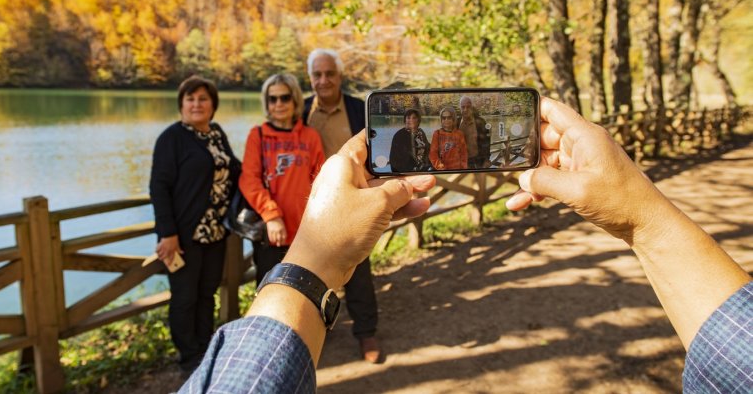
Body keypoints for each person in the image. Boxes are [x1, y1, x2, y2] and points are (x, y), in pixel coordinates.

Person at [181, 97, 751, 393]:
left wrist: (316, 255)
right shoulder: (262, 135)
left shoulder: (413, 133)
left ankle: (367, 330)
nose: (283, 103)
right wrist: (643, 220)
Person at [149, 76, 240, 373]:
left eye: (203, 98)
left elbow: (234, 169)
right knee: (185, 297)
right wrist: (168, 233)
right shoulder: (171, 138)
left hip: (216, 232)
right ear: (181, 105)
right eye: (190, 99)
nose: (196, 104)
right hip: (185, 235)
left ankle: (205, 347)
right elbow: (159, 187)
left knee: (206, 293)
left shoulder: (216, 134)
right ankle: (188, 357)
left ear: (213, 105)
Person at [301, 48, 383, 363]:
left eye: (329, 74)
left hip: (352, 198)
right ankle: (313, 335)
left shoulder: (359, 109)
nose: (323, 80)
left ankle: (367, 333)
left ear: (340, 76)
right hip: (310, 204)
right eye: (317, 75)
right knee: (311, 271)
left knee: (358, 270)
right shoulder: (300, 110)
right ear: (310, 78)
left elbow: (378, 152)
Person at [240, 73, 326, 285]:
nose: (279, 104)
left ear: (295, 100)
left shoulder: (309, 136)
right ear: (267, 103)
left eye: (285, 97)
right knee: (268, 292)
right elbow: (249, 180)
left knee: (303, 293)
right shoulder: (257, 135)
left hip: (305, 233)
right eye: (273, 98)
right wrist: (271, 216)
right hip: (272, 233)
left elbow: (321, 181)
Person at [429, 106, 467, 170]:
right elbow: (433, 154)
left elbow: (464, 154)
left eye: (449, 118)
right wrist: (441, 167)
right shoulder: (437, 134)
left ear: (453, 119)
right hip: (443, 170)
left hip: (458, 169)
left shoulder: (459, 134)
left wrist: (463, 169)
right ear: (441, 120)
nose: (446, 120)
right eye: (444, 118)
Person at [458, 95, 490, 168]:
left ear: (472, 108)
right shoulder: (456, 123)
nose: (465, 109)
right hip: (461, 162)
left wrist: (487, 159)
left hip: (478, 161)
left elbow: (486, 142)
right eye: (463, 107)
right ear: (460, 108)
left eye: (468, 107)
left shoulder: (481, 122)